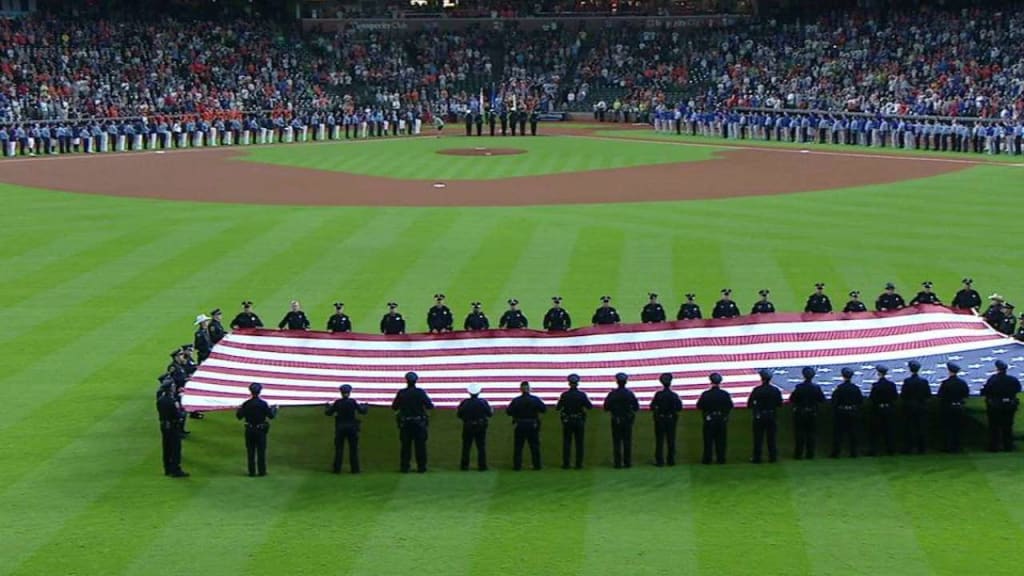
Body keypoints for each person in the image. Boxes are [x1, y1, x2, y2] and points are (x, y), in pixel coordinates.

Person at [391, 371, 434, 472]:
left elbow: (394, 407)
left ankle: (405, 467)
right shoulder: (420, 392)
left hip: (405, 423)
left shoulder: (402, 393)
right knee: (420, 446)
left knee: (405, 446)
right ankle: (421, 467)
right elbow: (429, 405)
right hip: (419, 423)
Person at [236, 383, 277, 477]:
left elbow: (239, 416)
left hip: (249, 429)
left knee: (250, 451)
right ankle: (262, 471)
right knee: (261, 451)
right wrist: (275, 409)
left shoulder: (246, 404)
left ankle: (252, 471)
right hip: (260, 429)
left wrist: (239, 409)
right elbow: (271, 416)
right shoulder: (263, 404)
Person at [325, 384, 368, 473]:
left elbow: (328, 413)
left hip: (340, 428)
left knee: (339, 449)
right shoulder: (352, 402)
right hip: (352, 428)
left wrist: (327, 406)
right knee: (353, 449)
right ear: (349, 392)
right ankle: (355, 469)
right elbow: (362, 411)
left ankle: (337, 469)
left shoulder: (338, 403)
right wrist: (365, 406)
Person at [981, 360, 1022, 452]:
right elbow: (1018, 389)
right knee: (1007, 426)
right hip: (1009, 405)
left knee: (994, 427)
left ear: (997, 369)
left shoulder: (993, 379)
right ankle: (1008, 446)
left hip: (995, 406)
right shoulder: (1012, 379)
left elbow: (985, 391)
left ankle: (994, 446)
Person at [506, 381, 547, 470]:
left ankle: (517, 466)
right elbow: (543, 409)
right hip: (532, 425)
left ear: (520, 389)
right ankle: (537, 465)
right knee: (534, 446)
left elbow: (508, 412)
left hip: (520, 425)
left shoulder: (516, 400)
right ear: (529, 389)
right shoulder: (535, 399)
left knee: (518, 447)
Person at [556, 373, 593, 469]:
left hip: (567, 420)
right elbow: (589, 407)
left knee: (567, 442)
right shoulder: (582, 395)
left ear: (569, 383)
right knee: (579, 443)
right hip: (579, 420)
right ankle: (579, 464)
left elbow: (558, 407)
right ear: (577, 383)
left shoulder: (564, 395)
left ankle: (566, 463)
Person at [603, 372, 639, 469]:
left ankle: (617, 463)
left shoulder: (612, 394)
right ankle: (627, 462)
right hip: (627, 420)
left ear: (617, 381)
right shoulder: (630, 394)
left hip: (616, 419)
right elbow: (636, 407)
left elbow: (606, 407)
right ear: (625, 382)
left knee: (617, 442)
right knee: (627, 441)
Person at [747, 369, 783, 463]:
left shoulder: (757, 390)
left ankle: (757, 457)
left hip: (759, 416)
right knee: (772, 437)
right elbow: (779, 404)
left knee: (758, 438)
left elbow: (750, 404)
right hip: (771, 415)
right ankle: (773, 457)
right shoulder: (775, 390)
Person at [790, 366, 826, 459]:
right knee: (811, 434)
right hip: (812, 413)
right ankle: (810, 454)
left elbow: (792, 399)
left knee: (800, 434)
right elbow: (822, 399)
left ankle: (798, 454)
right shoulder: (816, 388)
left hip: (800, 413)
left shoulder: (799, 387)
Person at [697, 373, 733, 464]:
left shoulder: (706, 394)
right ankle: (721, 458)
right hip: (721, 418)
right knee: (721, 440)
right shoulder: (725, 394)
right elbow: (730, 406)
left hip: (710, 418)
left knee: (708, 440)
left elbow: (699, 406)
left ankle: (707, 459)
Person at [456, 383, 493, 471]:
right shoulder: (483, 402)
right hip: (481, 426)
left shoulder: (464, 402)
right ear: (479, 392)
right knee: (481, 446)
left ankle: (464, 466)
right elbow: (489, 414)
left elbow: (459, 414)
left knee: (466, 447)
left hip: (468, 426)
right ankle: (482, 466)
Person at [157, 377, 188, 477]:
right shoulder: (172, 401)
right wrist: (183, 411)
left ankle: (167, 468)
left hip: (164, 426)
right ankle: (175, 469)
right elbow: (178, 415)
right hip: (173, 426)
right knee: (175, 448)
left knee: (166, 448)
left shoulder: (161, 400)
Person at [650, 372, 683, 466]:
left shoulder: (658, 395)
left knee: (659, 440)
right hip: (671, 419)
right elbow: (679, 407)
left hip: (660, 419)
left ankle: (659, 460)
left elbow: (652, 406)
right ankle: (671, 460)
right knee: (671, 439)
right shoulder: (674, 395)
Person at [830, 368, 864, 458]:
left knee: (838, 434)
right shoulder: (856, 388)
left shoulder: (839, 389)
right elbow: (860, 401)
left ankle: (836, 453)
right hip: (853, 412)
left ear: (843, 376)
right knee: (853, 434)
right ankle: (854, 452)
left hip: (841, 413)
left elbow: (834, 402)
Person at [936, 363, 970, 453]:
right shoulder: (962, 383)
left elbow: (940, 396)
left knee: (948, 428)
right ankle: (957, 446)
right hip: (959, 407)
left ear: (949, 371)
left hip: (948, 407)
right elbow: (966, 395)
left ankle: (948, 446)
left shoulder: (945, 383)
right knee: (958, 428)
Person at [901, 360, 932, 454]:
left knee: (910, 428)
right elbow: (928, 395)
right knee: (921, 428)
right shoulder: (924, 382)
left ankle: (909, 448)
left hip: (910, 408)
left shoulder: (907, 381)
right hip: (921, 407)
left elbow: (903, 395)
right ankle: (922, 448)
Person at [867, 365, 898, 456]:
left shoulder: (876, 385)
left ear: (878, 373)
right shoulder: (891, 385)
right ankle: (890, 450)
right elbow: (895, 397)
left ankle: (874, 450)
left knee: (875, 432)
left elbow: (872, 398)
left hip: (878, 410)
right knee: (889, 431)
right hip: (889, 409)